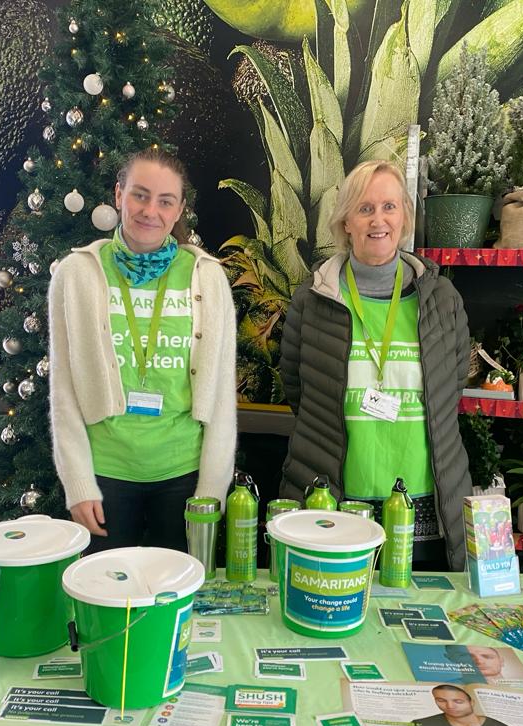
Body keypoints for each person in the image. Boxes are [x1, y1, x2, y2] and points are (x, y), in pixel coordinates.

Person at [279, 160, 472, 570]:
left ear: (404, 217)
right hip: (334, 493)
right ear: (346, 221)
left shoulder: (442, 299)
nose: (378, 220)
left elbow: (450, 387)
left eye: (389, 207)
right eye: (365, 208)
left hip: (423, 498)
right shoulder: (313, 300)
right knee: (335, 616)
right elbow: (297, 388)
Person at [48, 148, 236, 552]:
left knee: (178, 602)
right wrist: (78, 483)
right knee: (106, 597)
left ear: (179, 209)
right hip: (105, 477)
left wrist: (212, 489)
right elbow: (62, 392)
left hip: (184, 477)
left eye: (165, 201)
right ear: (119, 195)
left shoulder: (207, 277)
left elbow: (222, 396)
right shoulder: (77, 273)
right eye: (140, 195)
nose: (151, 210)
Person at [412, 684, 522, 726]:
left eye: (458, 702)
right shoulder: (421, 725)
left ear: (472, 702)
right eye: (441, 700)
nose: (450, 706)